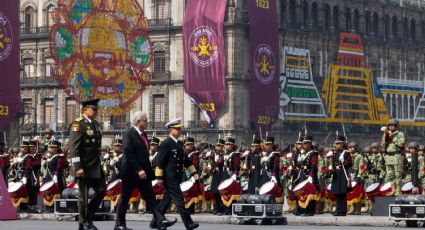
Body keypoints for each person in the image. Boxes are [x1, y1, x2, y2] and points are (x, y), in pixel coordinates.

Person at [114, 111, 176, 230]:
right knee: (124, 199)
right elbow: (128, 153)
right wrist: (138, 170)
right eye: (145, 120)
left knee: (151, 198)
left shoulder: (144, 135)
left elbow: (144, 155)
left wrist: (147, 172)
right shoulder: (129, 133)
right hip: (131, 173)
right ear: (138, 122)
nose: (147, 122)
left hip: (144, 174)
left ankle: (160, 220)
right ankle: (119, 225)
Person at [153, 118, 200, 230]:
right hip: (169, 177)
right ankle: (188, 223)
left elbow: (186, 161)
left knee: (166, 200)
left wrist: (194, 172)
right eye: (177, 129)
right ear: (171, 130)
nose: (180, 131)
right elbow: (159, 161)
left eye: (180, 129)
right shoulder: (166, 143)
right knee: (179, 199)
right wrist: (159, 177)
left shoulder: (179, 143)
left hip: (176, 176)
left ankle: (155, 222)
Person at [68, 98, 106, 230]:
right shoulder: (78, 125)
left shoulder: (95, 124)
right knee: (83, 197)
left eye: (96, 109)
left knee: (102, 190)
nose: (96, 112)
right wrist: (77, 167)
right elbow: (74, 148)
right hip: (83, 166)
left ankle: (88, 217)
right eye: (93, 109)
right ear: (85, 110)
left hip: (95, 166)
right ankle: (83, 222)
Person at [381, 119, 405, 196]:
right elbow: (382, 144)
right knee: (390, 174)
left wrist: (391, 137)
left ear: (396, 126)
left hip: (396, 155)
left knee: (397, 174)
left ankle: (398, 190)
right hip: (388, 156)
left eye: (393, 125)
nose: (391, 127)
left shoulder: (400, 134)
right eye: (390, 125)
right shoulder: (386, 134)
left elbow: (401, 144)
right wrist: (385, 138)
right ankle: (393, 189)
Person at [331, 136, 352, 216]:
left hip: (343, 174)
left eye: (338, 143)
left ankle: (343, 211)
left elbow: (350, 164)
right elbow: (332, 163)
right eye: (336, 144)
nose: (337, 145)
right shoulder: (334, 153)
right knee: (337, 193)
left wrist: (345, 161)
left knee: (343, 193)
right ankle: (338, 209)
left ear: (342, 144)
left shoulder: (346, 153)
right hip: (337, 174)